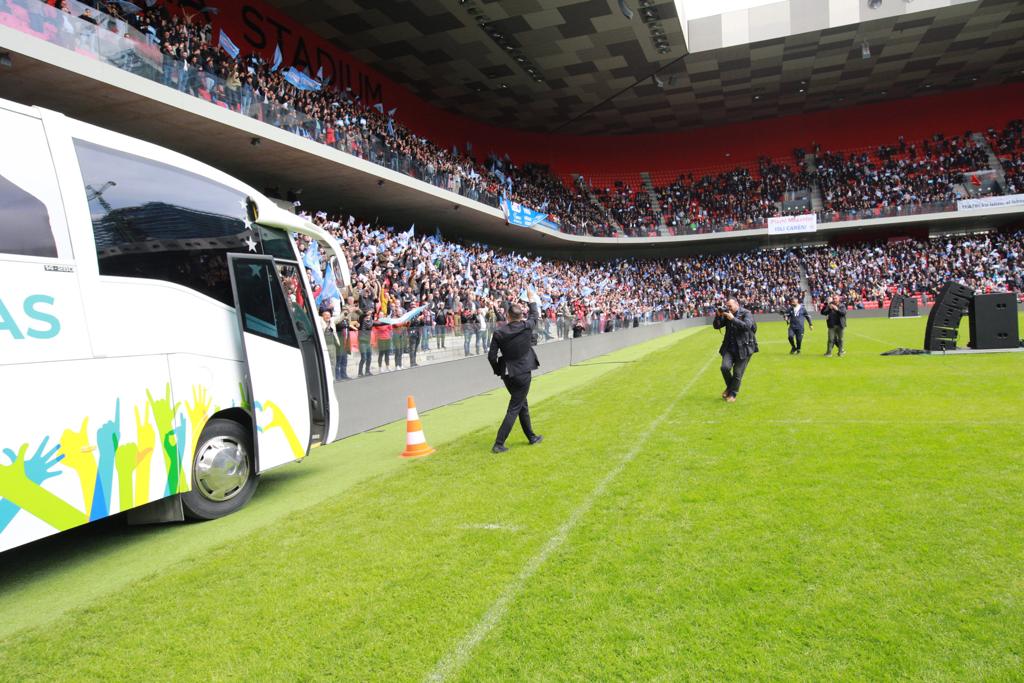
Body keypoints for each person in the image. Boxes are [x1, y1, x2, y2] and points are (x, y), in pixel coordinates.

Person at [487, 288, 544, 453]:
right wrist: (531, 298)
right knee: (515, 407)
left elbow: (491, 356)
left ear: (508, 316)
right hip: (523, 372)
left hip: (508, 374)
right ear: (521, 316)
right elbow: (534, 314)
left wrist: (498, 369)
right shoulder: (527, 326)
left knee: (521, 404)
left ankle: (531, 437)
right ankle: (499, 443)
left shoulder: (499, 332)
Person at [712, 298, 758, 402]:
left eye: (730, 306)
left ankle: (732, 394)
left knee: (737, 373)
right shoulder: (727, 313)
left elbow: (746, 326)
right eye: (727, 306)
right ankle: (730, 389)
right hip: (729, 347)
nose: (728, 308)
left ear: (737, 304)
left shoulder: (746, 313)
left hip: (744, 348)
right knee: (724, 367)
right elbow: (716, 326)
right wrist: (718, 316)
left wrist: (732, 318)